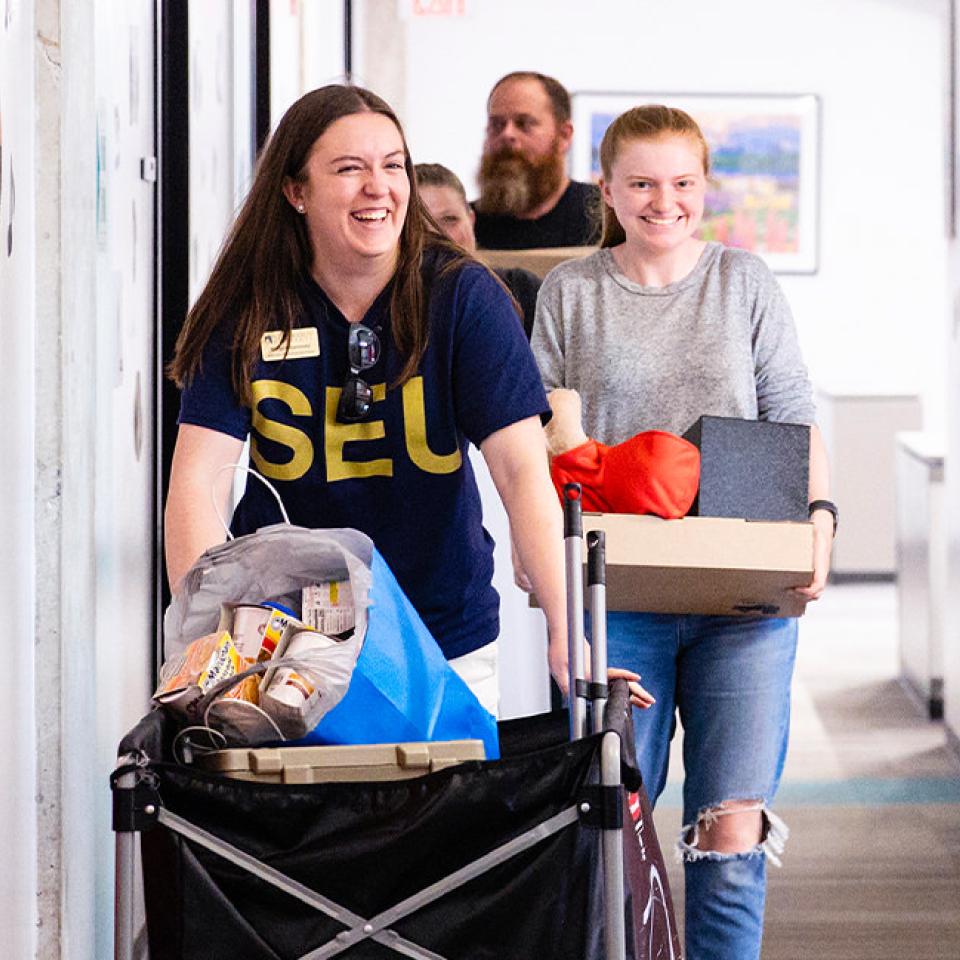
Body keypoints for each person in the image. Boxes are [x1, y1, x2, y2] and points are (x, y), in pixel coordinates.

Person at [163, 84, 648, 719]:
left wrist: (567, 629)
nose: (379, 186)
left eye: (392, 165)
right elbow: (196, 483)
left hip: (443, 638)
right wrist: (210, 642)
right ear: (295, 190)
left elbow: (522, 470)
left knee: (448, 816)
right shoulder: (249, 307)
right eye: (349, 168)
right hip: (287, 650)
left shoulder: (461, 296)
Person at [529, 104, 836, 960]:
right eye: (642, 184)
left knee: (730, 834)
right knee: (606, 827)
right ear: (608, 189)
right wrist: (538, 560)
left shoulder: (743, 280)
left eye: (683, 183)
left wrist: (820, 529)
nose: (664, 202)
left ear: (704, 186)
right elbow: (533, 438)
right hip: (615, 595)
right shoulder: (572, 291)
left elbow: (793, 413)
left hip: (742, 596)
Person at [474, 71, 600, 250]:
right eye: (497, 124)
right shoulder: (466, 227)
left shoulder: (604, 218)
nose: (507, 134)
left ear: (564, 135)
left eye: (524, 123)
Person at [414, 162, 541, 338]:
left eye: (449, 219)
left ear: (471, 219)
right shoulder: (388, 307)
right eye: (419, 225)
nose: (438, 235)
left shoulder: (522, 288)